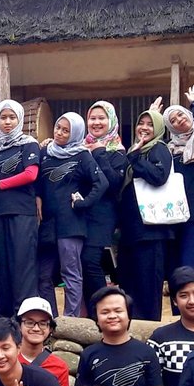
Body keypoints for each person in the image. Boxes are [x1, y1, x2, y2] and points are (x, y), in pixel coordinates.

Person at [38, 112, 108, 318]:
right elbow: (39, 183)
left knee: (71, 275)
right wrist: (38, 198)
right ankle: (49, 319)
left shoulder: (82, 155)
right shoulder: (46, 153)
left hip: (71, 224)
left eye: (66, 130)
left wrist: (83, 203)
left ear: (75, 133)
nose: (59, 133)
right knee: (42, 276)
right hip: (47, 223)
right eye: (58, 127)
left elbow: (101, 183)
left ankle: (70, 320)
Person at [113, 102, 173, 321]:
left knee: (148, 285)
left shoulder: (159, 148)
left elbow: (159, 176)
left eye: (150, 124)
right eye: (141, 123)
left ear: (158, 129)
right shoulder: (135, 150)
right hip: (131, 231)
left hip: (151, 231)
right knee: (129, 282)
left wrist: (135, 159)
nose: (144, 128)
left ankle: (148, 328)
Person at [0, 100, 41, 318]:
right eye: (3, 117)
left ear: (19, 119)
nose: (7, 122)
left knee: (22, 267)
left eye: (12, 117)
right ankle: (2, 319)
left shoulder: (28, 144)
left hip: (22, 212)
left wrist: (0, 184)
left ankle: (24, 318)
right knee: (4, 268)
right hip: (0, 213)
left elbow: (31, 174)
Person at [163, 85, 194, 280]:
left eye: (181, 115)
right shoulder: (169, 150)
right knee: (175, 270)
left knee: (193, 268)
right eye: (173, 120)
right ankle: (178, 311)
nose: (179, 121)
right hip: (172, 214)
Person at [83, 100, 123, 302]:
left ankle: (104, 307)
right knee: (81, 263)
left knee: (90, 261)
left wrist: (99, 153)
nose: (96, 122)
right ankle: (90, 311)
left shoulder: (117, 150)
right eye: (92, 118)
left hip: (103, 215)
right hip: (80, 214)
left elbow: (114, 183)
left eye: (101, 118)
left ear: (111, 120)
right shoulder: (79, 147)